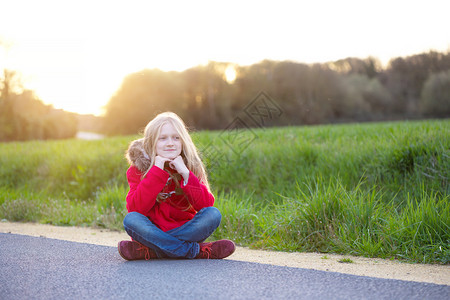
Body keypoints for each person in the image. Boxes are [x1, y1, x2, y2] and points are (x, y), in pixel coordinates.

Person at [118, 112, 236, 260]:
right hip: (152, 230)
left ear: (183, 141)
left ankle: (153, 250)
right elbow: (136, 208)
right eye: (162, 138)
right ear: (151, 143)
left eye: (176, 138)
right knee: (131, 220)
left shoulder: (190, 166)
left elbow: (205, 205)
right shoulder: (137, 170)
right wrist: (156, 171)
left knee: (213, 214)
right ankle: (195, 251)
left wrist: (186, 174)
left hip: (185, 229)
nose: (170, 143)